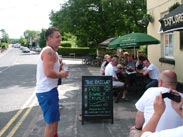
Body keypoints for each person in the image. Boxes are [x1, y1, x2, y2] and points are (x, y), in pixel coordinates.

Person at [35, 27, 69, 137]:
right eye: (57, 37)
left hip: (50, 91)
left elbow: (52, 71)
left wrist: (59, 67)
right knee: (51, 123)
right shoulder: (49, 51)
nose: (60, 39)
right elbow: (48, 73)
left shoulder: (52, 52)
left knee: (55, 119)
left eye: (60, 37)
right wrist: (62, 74)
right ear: (49, 38)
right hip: (47, 92)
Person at [130, 70, 183, 136]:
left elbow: (140, 115)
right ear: (176, 83)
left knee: (134, 131)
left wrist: (137, 128)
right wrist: (179, 110)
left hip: (151, 133)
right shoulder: (181, 97)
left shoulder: (150, 91)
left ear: (160, 82)